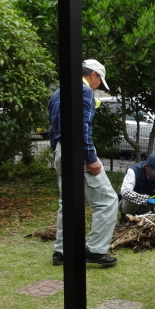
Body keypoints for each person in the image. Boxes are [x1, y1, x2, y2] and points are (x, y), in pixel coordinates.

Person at [48, 59, 119, 268]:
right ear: (94, 75)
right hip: (79, 151)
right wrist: (90, 158)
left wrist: (58, 151)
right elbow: (82, 126)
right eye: (99, 82)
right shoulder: (84, 91)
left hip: (61, 150)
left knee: (68, 203)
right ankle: (95, 250)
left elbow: (53, 129)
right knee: (108, 200)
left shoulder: (58, 92)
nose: (98, 88)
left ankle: (61, 252)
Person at [119, 152, 155, 219]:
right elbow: (125, 192)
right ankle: (125, 219)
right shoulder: (134, 171)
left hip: (148, 207)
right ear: (146, 167)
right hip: (131, 205)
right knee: (129, 201)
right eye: (154, 172)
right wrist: (147, 200)